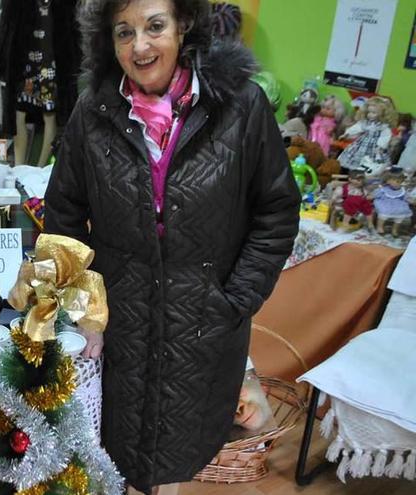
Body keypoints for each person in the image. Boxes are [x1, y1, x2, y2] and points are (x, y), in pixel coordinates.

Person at [44, 0, 300, 493]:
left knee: (178, 459)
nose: (140, 46)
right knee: (110, 458)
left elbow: (277, 211)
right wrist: (85, 308)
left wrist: (236, 299)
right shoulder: (92, 110)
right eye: (124, 32)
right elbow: (63, 217)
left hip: (204, 328)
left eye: (154, 26)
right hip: (119, 328)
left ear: (183, 26)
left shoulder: (240, 106)